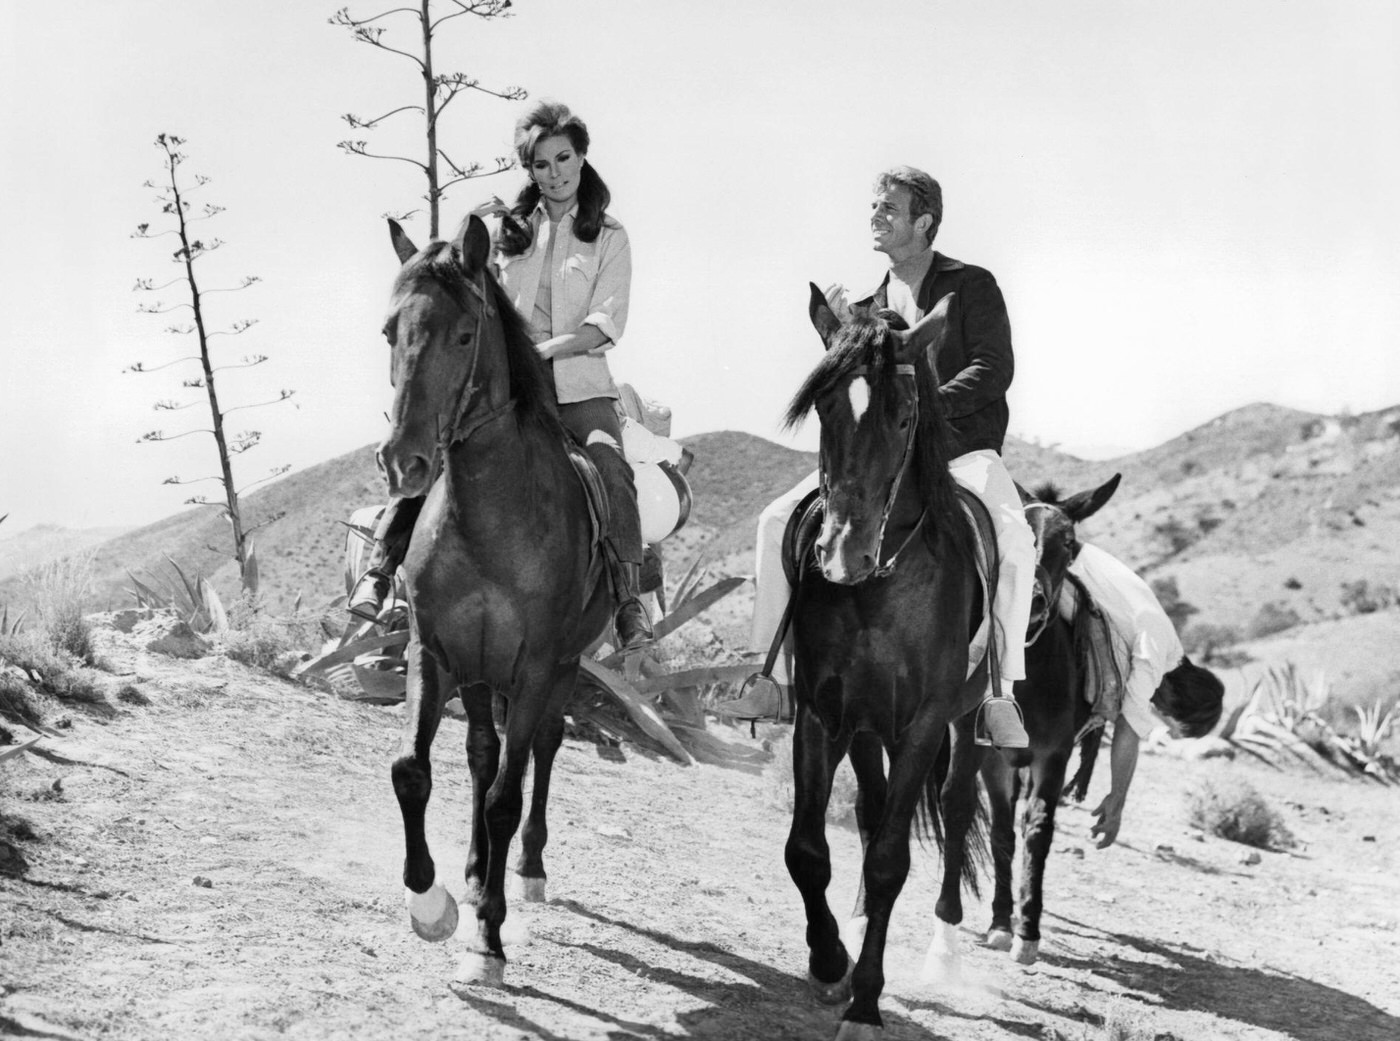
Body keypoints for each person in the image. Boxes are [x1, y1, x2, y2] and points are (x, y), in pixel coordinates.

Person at [720, 166, 1035, 750]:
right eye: (874, 208)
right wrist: (836, 333)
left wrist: (925, 405)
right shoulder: (865, 306)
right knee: (773, 521)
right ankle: (769, 676)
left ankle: (1000, 692)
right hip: (880, 458)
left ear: (924, 222)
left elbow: (995, 370)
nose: (876, 217)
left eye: (889, 209)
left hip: (962, 455)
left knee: (1015, 540)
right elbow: (851, 388)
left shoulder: (974, 286)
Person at [348, 100, 652, 650]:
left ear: (582, 158)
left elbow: (604, 324)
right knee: (439, 448)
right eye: (541, 164)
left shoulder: (609, 236)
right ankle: (381, 570)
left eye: (563, 158)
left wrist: (542, 353)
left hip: (580, 389)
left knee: (610, 464)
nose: (554, 173)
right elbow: (462, 289)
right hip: (506, 391)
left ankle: (628, 600)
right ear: (529, 170)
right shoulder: (505, 231)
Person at [1069, 542, 1225, 848]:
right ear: (1175, 706)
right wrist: (1118, 799)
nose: (1158, 718)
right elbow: (1129, 724)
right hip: (1066, 563)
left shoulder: (1164, 646)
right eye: (1170, 723)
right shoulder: (1156, 651)